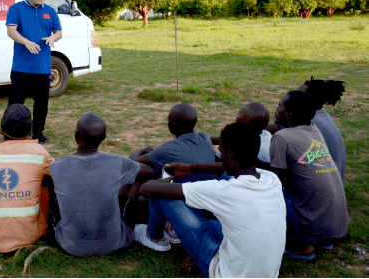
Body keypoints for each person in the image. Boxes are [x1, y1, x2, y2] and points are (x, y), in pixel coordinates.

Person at [135, 123, 286, 278]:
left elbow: (147, 190)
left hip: (224, 273)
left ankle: (155, 237)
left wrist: (162, 180)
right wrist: (193, 168)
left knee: (163, 195)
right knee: (218, 220)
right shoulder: (272, 179)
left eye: (221, 152)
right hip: (267, 273)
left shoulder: (223, 191)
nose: (220, 157)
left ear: (231, 155)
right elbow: (223, 167)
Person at [49, 113, 156, 257]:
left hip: (70, 245)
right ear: (104, 138)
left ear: (76, 136)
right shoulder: (116, 163)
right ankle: (138, 209)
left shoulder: (57, 166)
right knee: (135, 178)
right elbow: (149, 172)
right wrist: (134, 159)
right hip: (114, 243)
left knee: (58, 189)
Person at [270, 91, 348, 259]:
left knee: (270, 196)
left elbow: (276, 182)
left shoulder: (281, 137)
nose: (275, 110)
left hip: (312, 230)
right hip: (338, 227)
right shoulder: (314, 130)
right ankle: (322, 239)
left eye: (279, 106)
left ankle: (298, 245)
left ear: (289, 114)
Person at [0, 104, 54, 253]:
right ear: (29, 130)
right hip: (30, 235)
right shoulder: (41, 155)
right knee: (44, 181)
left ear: (1, 130)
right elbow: (55, 173)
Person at [6, 0, 62, 144]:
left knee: (41, 104)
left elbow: (59, 32)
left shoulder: (50, 12)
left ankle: (38, 133)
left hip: (43, 67)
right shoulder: (16, 9)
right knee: (16, 103)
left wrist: (53, 38)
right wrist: (26, 42)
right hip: (21, 67)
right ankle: (10, 133)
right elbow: (11, 31)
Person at [130, 103, 215, 177]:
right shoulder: (205, 138)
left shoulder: (167, 149)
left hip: (182, 191)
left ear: (173, 126)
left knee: (148, 170)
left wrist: (143, 150)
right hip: (208, 186)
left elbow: (131, 163)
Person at [297, 77, 347, 183]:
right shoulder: (321, 114)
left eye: (298, 96)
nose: (293, 97)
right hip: (335, 185)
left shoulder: (309, 120)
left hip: (325, 186)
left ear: (309, 101)